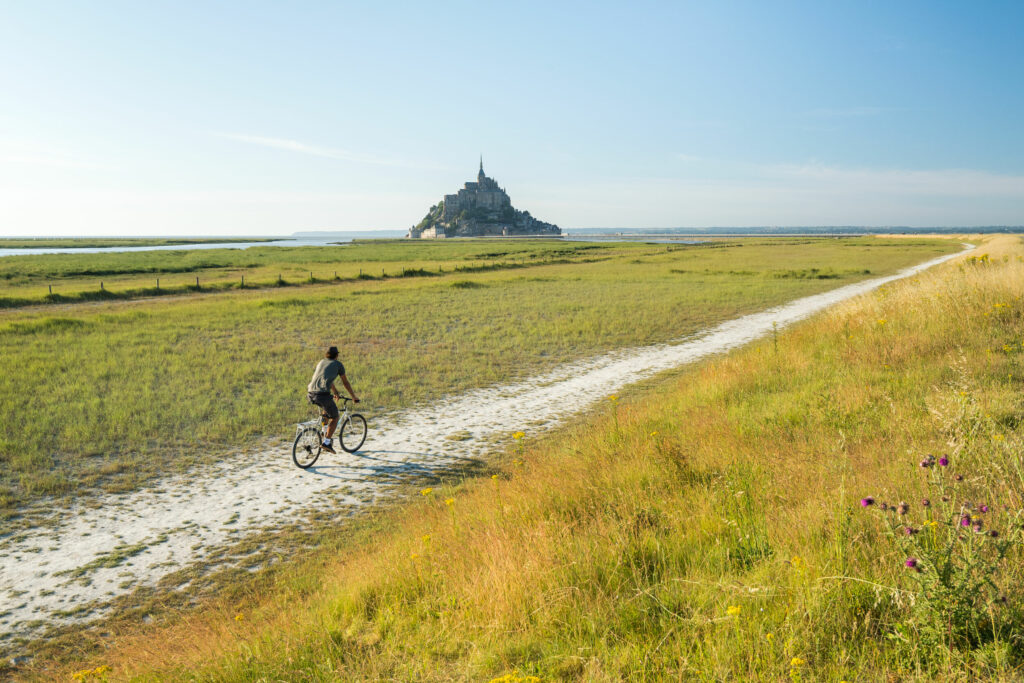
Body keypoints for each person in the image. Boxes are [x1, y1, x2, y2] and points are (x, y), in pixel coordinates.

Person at [307, 346, 359, 453]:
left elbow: (327, 380)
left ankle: (323, 432)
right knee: (335, 417)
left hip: (311, 393)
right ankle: (326, 442)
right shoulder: (338, 365)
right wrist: (353, 397)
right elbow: (345, 383)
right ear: (337, 355)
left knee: (326, 410)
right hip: (322, 395)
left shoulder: (322, 362)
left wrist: (335, 392)